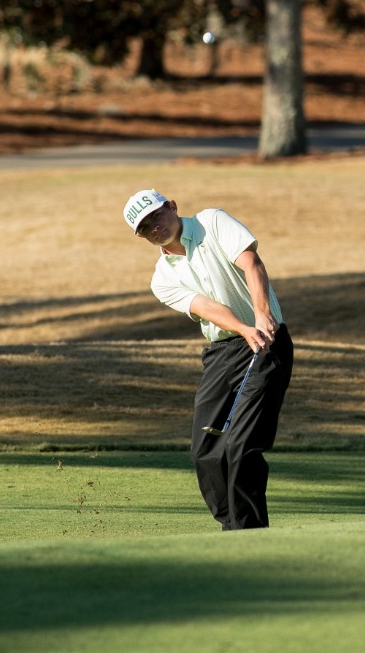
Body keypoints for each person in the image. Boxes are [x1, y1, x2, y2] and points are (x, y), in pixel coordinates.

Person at [124, 188, 293, 530]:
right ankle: (232, 527)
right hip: (222, 354)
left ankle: (249, 533)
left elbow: (251, 263)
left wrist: (261, 315)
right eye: (144, 226)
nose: (154, 226)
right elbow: (207, 308)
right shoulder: (162, 279)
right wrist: (243, 328)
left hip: (267, 342)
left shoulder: (212, 222)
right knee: (205, 451)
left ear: (172, 206)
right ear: (140, 236)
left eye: (156, 215)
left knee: (241, 445)